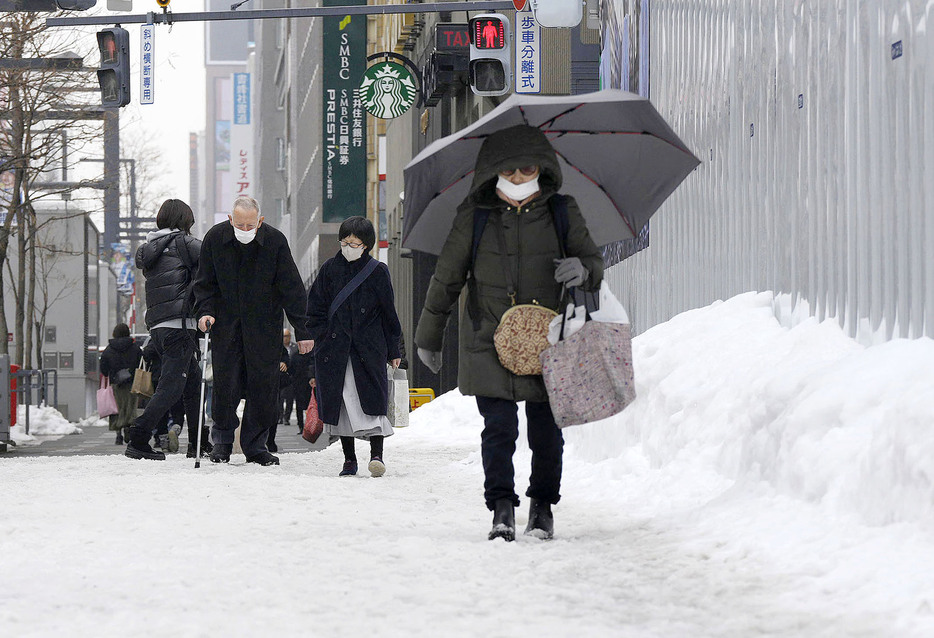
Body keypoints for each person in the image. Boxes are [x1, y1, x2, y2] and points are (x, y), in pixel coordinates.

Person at [414, 125, 604, 541]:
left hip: (548, 339)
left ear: (542, 170)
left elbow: (592, 260)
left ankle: (542, 506)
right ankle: (501, 506)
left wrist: (583, 269)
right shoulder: (474, 217)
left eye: (527, 169)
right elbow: (446, 278)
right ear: (491, 173)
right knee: (498, 429)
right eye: (510, 171)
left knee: (546, 431)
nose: (519, 178)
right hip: (489, 338)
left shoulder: (562, 211)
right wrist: (429, 336)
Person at [192, 196, 314, 466]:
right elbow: (204, 283)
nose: (245, 230)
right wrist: (205, 312)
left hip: (264, 327)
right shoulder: (215, 239)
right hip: (226, 326)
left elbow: (292, 289)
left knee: (263, 388)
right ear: (229, 220)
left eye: (250, 225)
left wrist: (303, 330)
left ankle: (256, 445)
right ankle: (222, 443)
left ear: (260, 221)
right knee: (226, 385)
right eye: (239, 225)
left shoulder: (275, 242)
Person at [305, 216, 402, 477]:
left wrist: (394, 350)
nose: (348, 247)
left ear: (366, 244)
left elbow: (388, 314)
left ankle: (376, 455)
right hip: (334, 352)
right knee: (342, 406)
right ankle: (349, 459)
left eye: (355, 242)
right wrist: (322, 338)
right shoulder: (328, 270)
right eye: (344, 242)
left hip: (368, 351)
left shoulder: (377, 271)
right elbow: (314, 310)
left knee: (372, 402)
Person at [126, 199, 206, 461]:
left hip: (159, 327)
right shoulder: (185, 243)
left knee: (192, 384)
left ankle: (198, 442)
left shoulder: (151, 249)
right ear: (184, 221)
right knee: (171, 388)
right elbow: (213, 264)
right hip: (180, 327)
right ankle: (138, 436)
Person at [99, 323, 142, 445]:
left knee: (116, 407)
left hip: (116, 383)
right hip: (131, 383)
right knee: (130, 407)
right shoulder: (135, 348)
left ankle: (118, 434)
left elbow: (103, 367)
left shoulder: (109, 349)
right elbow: (140, 363)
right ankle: (129, 428)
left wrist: (110, 374)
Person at [267, 340, 290, 453]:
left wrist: (284, 363)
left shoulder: (274, 340)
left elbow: (285, 357)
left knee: (273, 414)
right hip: (258, 381)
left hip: (274, 383)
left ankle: (270, 440)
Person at [279, 328, 298, 426]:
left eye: (287, 336)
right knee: (280, 399)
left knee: (290, 399)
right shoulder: (278, 347)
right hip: (281, 378)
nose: (285, 338)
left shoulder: (295, 347)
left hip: (291, 377)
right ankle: (280, 417)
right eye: (283, 336)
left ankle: (287, 418)